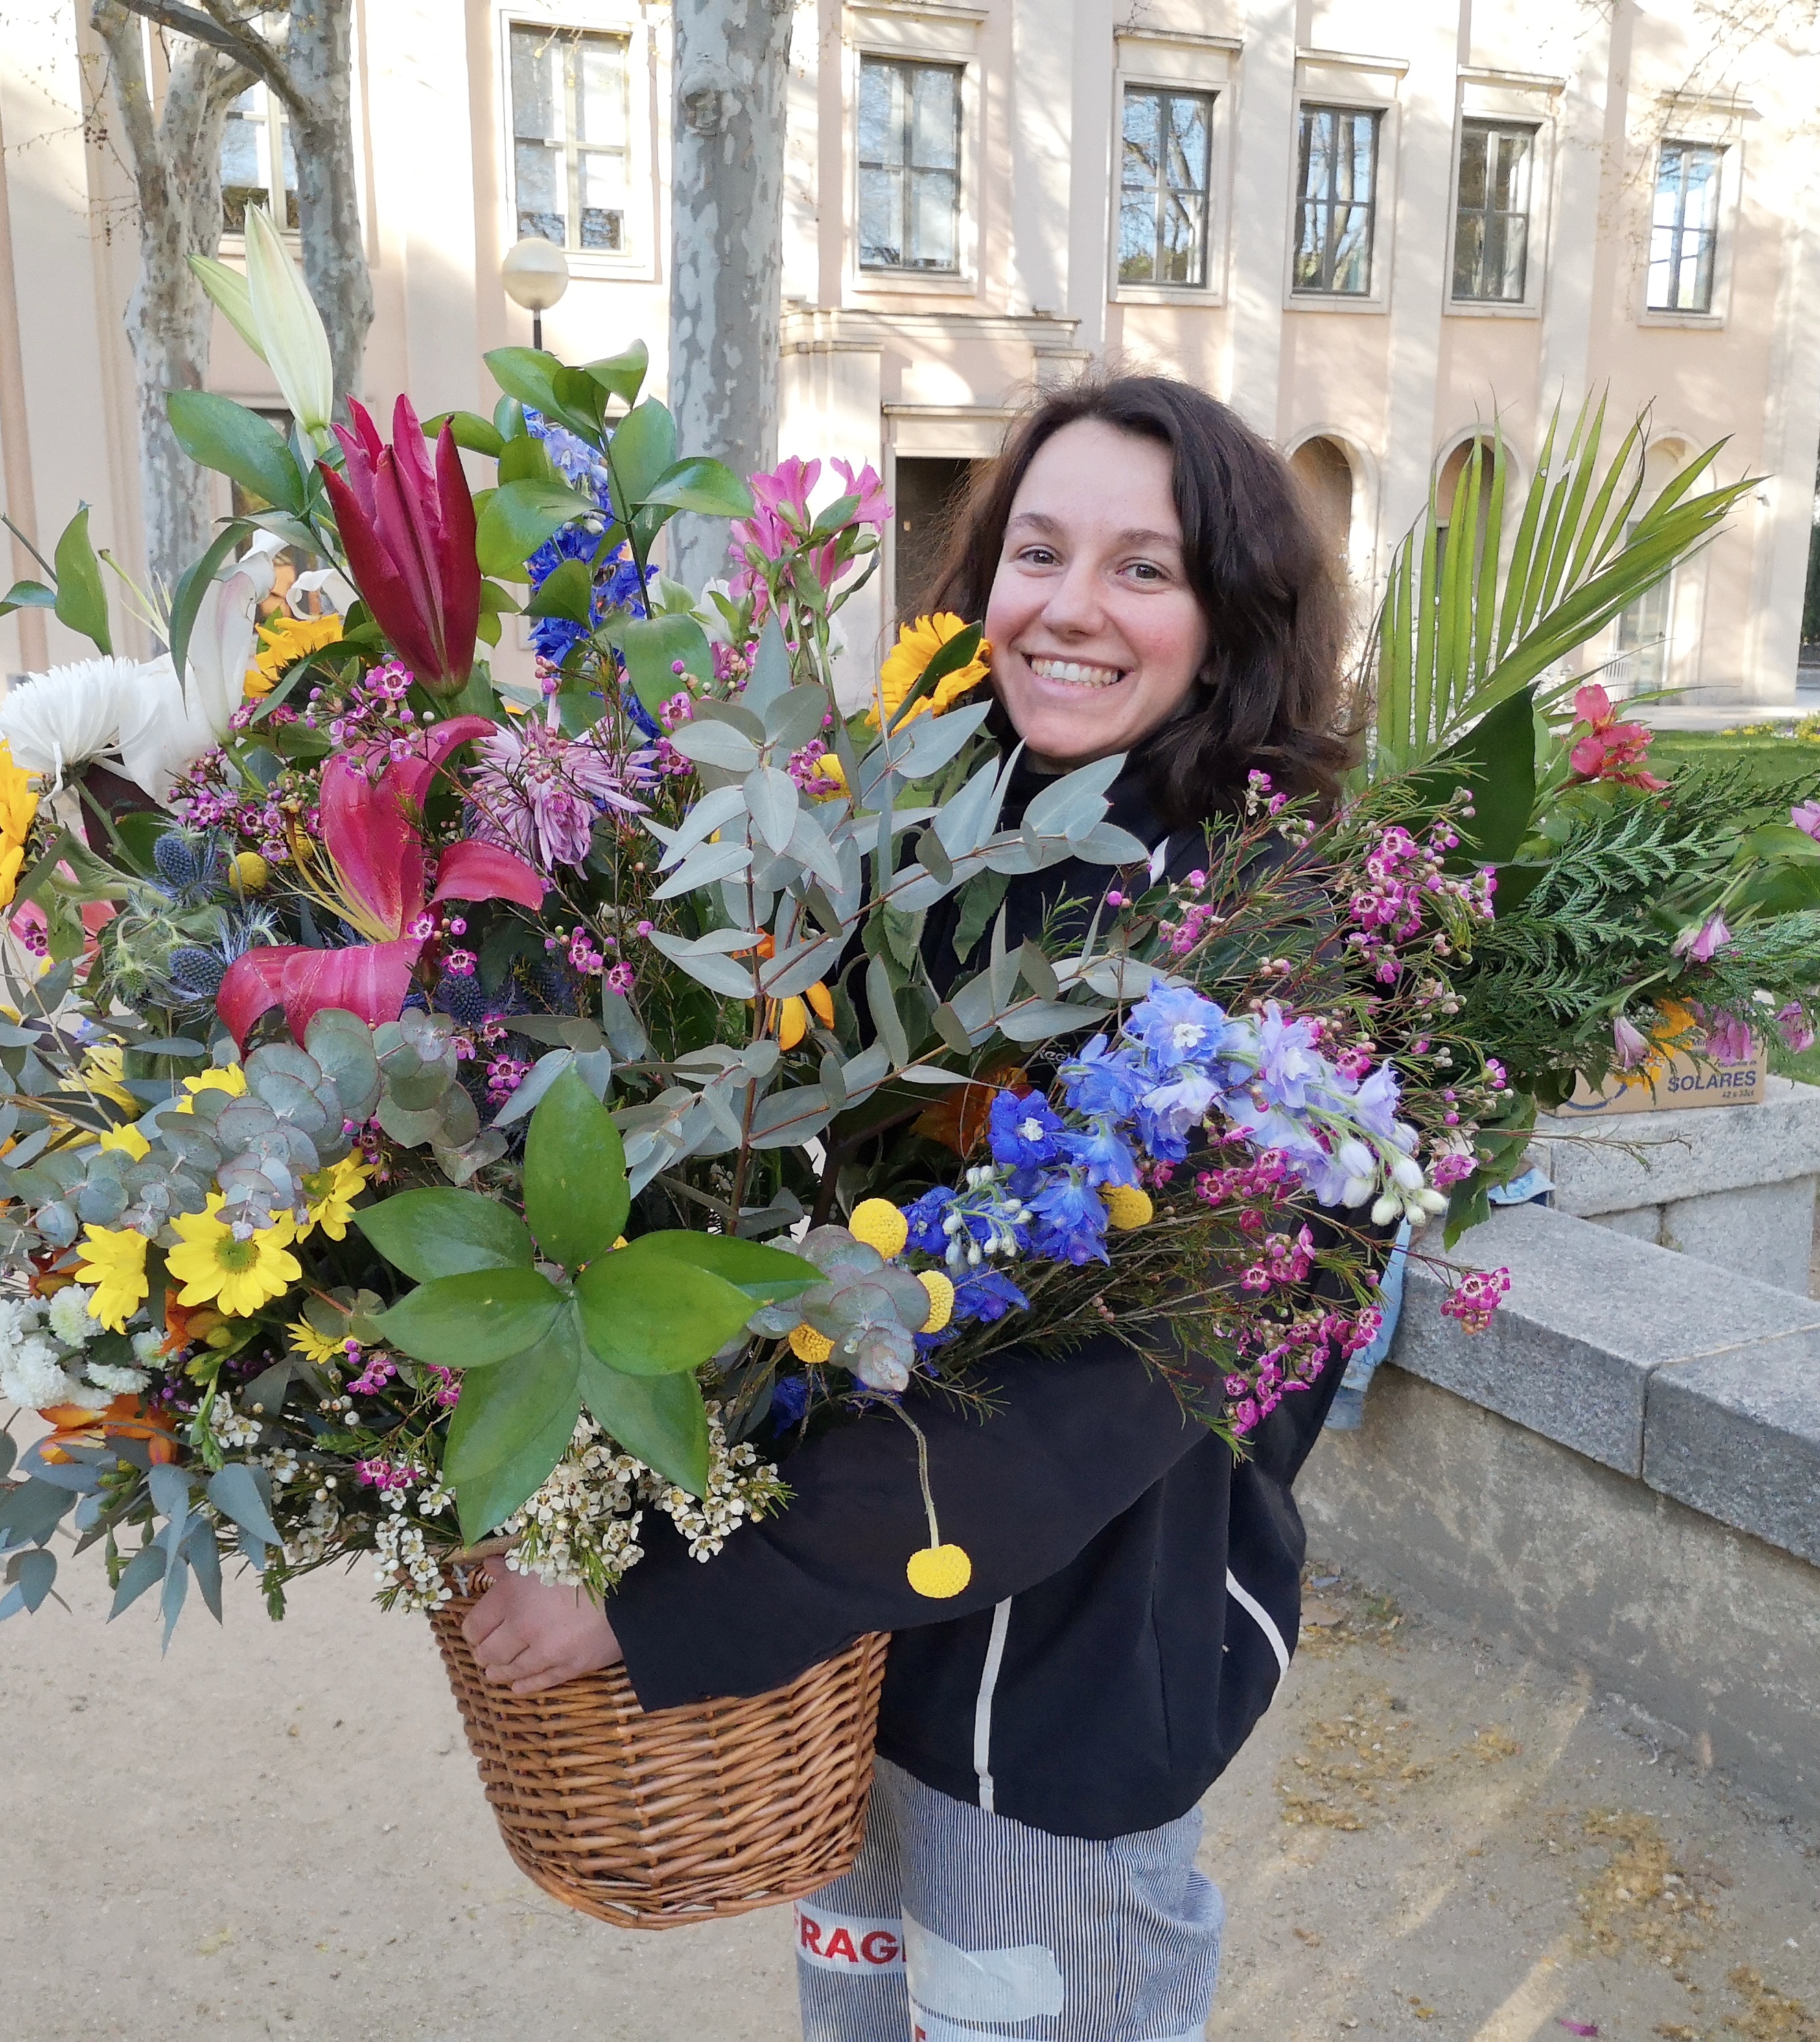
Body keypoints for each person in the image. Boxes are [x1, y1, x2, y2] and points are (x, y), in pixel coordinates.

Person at [462, 375, 1357, 2042]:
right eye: (1037, 551)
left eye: (1143, 568)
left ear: (1236, 616)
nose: (1068, 608)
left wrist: (650, 1598)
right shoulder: (901, 850)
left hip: (1053, 1715)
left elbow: (1095, 1403)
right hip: (837, 1668)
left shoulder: (1271, 956)